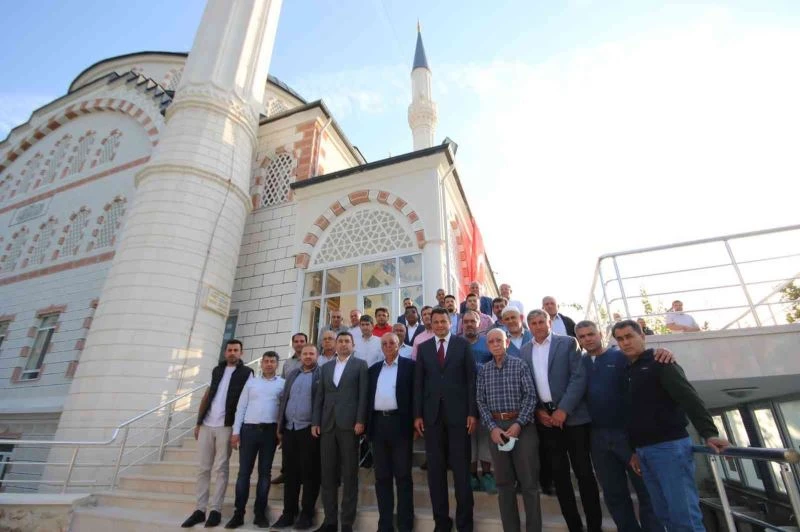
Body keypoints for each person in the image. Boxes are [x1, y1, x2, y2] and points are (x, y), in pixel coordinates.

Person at [613, 320, 729, 531]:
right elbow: (631, 415)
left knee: (684, 517)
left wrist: (709, 433)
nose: (625, 343)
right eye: (620, 339)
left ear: (643, 336)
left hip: (670, 449)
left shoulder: (661, 362)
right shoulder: (626, 371)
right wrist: (634, 450)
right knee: (664, 515)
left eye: (629, 336)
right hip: (643, 453)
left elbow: (689, 398)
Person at [575, 321, 665, 532]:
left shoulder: (620, 356)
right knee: (614, 494)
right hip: (598, 437)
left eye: (591, 334)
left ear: (600, 334)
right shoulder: (580, 363)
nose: (587, 339)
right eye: (582, 336)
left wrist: (663, 352)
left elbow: (646, 359)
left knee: (647, 492)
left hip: (627, 434)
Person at [520, 310, 602, 532]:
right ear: (529, 326)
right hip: (546, 422)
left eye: (541, 322)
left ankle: (595, 526)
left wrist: (563, 409)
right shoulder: (525, 350)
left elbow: (579, 377)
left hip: (574, 419)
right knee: (560, 476)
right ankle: (574, 526)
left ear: (550, 322)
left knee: (584, 473)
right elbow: (527, 385)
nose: (538, 326)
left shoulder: (567, 343)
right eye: (533, 323)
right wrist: (538, 411)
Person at [414, 308, 477, 532]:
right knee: (436, 473)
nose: (440, 325)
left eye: (443, 321)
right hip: (432, 418)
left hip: (459, 417)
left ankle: (464, 524)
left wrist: (472, 412)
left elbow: (472, 380)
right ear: (430, 324)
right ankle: (441, 522)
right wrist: (418, 414)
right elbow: (419, 384)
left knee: (461, 472)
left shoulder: (463, 345)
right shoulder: (423, 348)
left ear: (451, 323)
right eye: (435, 321)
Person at [182, 340, 254, 528]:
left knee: (221, 468)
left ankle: (216, 510)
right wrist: (198, 422)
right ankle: (200, 510)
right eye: (229, 350)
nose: (232, 353)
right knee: (203, 468)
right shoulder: (217, 370)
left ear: (241, 353)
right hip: (207, 424)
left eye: (235, 350)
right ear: (225, 353)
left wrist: (238, 430)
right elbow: (208, 395)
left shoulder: (247, 373)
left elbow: (247, 401)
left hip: (226, 426)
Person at [477, 329, 541, 532]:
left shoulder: (520, 365)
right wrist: (492, 427)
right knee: (504, 484)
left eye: (499, 340)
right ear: (487, 346)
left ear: (507, 343)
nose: (495, 344)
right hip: (496, 429)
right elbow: (480, 401)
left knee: (529, 483)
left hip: (521, 427)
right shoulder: (484, 371)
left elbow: (530, 396)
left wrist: (518, 423)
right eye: (491, 341)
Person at [311, 332, 369, 532]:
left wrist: (361, 420)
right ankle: (330, 521)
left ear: (353, 345)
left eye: (347, 341)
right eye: (340, 341)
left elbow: (363, 395)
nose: (343, 344)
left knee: (350, 475)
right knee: (327, 475)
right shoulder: (325, 367)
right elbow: (320, 396)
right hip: (327, 426)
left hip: (350, 426)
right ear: (334, 345)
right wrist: (315, 422)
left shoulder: (360, 365)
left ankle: (346, 523)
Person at [227, 351, 284, 529]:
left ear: (277, 364)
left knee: (265, 474)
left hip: (269, 433)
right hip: (248, 431)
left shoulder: (283, 384)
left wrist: (281, 433)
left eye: (272, 361)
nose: (268, 364)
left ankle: (260, 513)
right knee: (244, 474)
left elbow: (284, 410)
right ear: (261, 364)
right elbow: (241, 407)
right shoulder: (251, 382)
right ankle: (239, 514)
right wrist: (236, 432)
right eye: (266, 361)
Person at [367, 333, 416, 532]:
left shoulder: (410, 367)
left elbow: (415, 396)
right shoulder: (373, 370)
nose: (388, 346)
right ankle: (384, 524)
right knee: (382, 478)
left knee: (403, 477)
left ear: (399, 345)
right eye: (384, 343)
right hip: (378, 425)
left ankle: (405, 525)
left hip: (401, 425)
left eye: (392, 343)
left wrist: (415, 423)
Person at [273, 345, 322, 530]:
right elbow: (284, 400)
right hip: (289, 429)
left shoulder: (321, 374)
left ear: (316, 356)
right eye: (305, 354)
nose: (308, 356)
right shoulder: (292, 374)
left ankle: (306, 514)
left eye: (311, 353)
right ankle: (288, 513)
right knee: (290, 474)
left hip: (309, 430)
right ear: (300, 356)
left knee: (310, 474)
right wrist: (280, 426)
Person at [460, 310, 494, 493]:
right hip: (464, 398)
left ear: (479, 323)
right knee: (469, 438)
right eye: (466, 322)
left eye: (472, 321)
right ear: (461, 325)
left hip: (486, 396)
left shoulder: (487, 342)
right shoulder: (457, 344)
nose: (469, 324)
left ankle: (487, 474)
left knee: (485, 437)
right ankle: (472, 475)